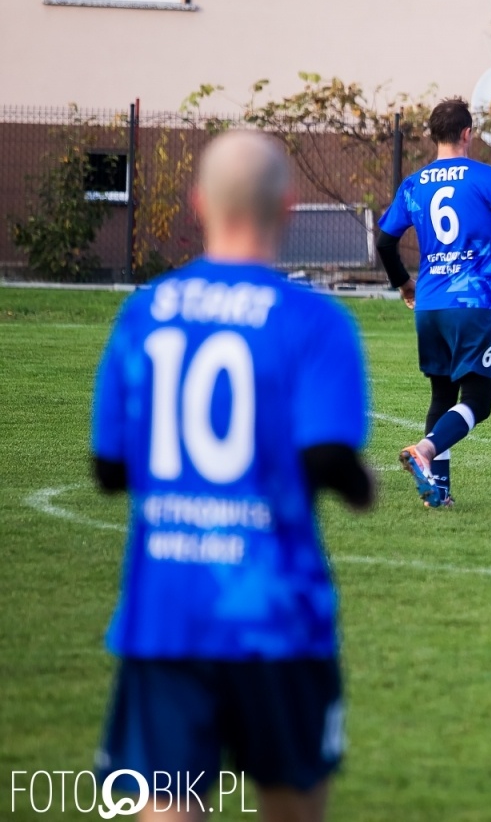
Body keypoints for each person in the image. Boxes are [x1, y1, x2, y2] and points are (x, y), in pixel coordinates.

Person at [90, 130, 377, 822]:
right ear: (290, 205)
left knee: (166, 802)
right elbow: (327, 457)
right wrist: (361, 485)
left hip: (167, 607)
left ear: (197, 205)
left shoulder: (144, 311)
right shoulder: (314, 320)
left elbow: (108, 468)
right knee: (293, 798)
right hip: (274, 611)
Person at [375, 98, 491, 508]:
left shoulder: (414, 184)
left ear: (433, 135)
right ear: (467, 134)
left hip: (429, 305)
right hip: (470, 304)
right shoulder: (484, 177)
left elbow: (385, 241)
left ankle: (437, 493)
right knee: (477, 401)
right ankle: (424, 450)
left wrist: (405, 285)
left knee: (442, 396)